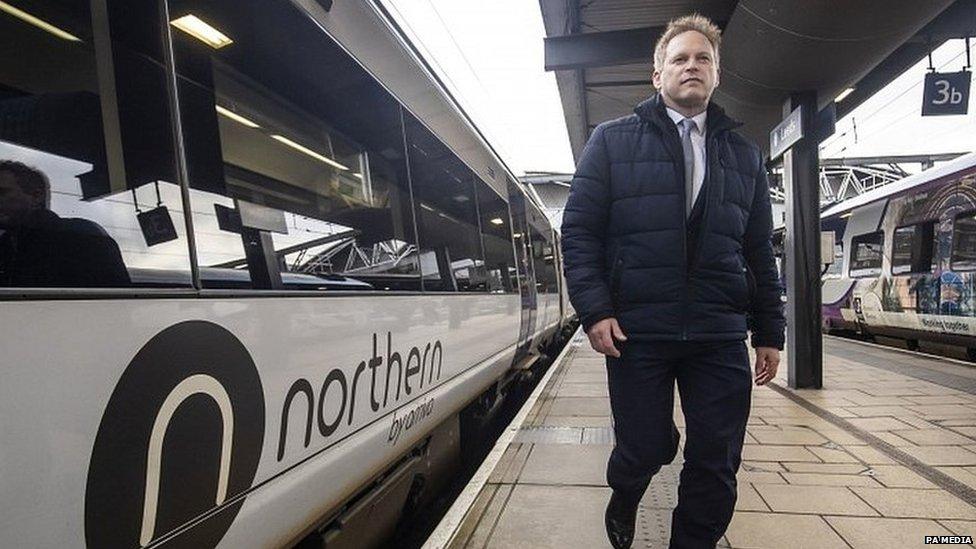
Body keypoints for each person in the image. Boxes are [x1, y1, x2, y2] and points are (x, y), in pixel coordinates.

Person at [560, 14, 785, 549]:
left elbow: (759, 250)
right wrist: (595, 311)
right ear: (657, 75)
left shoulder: (745, 155)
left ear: (717, 75)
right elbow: (580, 233)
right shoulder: (611, 142)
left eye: (702, 58)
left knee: (717, 459)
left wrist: (771, 332)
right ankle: (627, 487)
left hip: (718, 331)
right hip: (637, 330)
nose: (692, 66)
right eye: (679, 58)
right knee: (642, 445)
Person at [0, 160, 130, 287]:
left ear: (36, 196)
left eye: (2, 192)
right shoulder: (6, 247)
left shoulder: (83, 238)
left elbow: (115, 299)